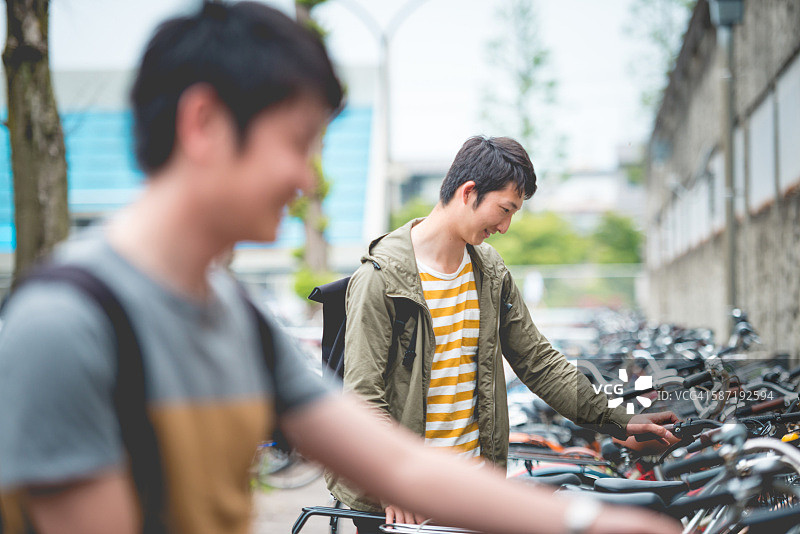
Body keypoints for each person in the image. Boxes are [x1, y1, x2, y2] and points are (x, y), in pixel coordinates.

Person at [0, 3, 680, 534]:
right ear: (203, 123)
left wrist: (598, 518)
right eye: (296, 144)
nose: (308, 178)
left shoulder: (233, 316)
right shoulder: (63, 328)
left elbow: (397, 461)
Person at [329, 135, 681, 530]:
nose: (506, 226)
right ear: (468, 192)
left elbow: (540, 362)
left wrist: (617, 421)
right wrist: (394, 481)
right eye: (505, 209)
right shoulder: (380, 279)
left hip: (472, 489)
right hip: (399, 502)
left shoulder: (491, 274)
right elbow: (363, 396)